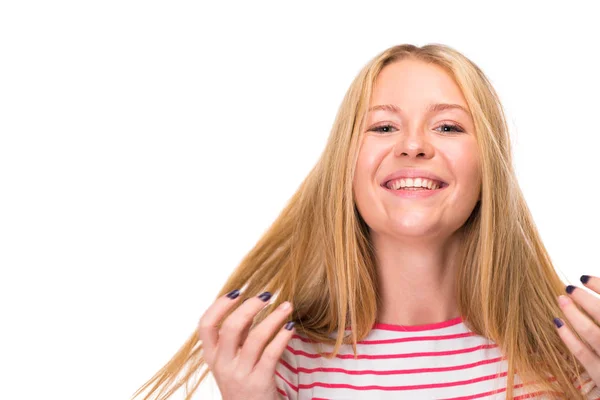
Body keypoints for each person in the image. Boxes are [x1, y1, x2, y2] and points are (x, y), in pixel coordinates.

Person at [132, 43, 600, 399]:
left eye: (448, 127)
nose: (413, 145)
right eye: (382, 127)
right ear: (345, 165)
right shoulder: (281, 365)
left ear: (490, 167)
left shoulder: (575, 350)